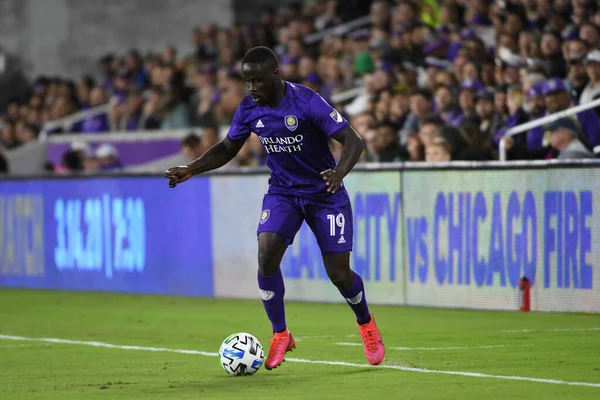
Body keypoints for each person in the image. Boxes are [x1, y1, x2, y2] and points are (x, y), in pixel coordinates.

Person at [164, 46, 385, 370]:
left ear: (275, 75)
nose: (251, 88)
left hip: (325, 194)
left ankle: (365, 323)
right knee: (266, 254)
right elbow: (228, 147)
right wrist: (191, 168)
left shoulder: (307, 101)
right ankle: (280, 333)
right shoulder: (249, 109)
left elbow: (354, 141)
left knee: (339, 274)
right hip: (283, 193)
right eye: (247, 81)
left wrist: (339, 173)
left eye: (257, 80)